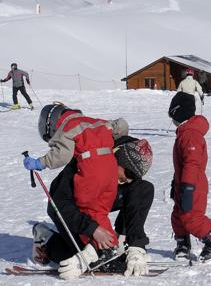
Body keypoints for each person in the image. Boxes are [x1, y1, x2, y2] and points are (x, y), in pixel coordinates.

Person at [22, 103, 130, 277]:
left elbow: (62, 155)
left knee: (88, 209)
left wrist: (40, 163)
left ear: (51, 122)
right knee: (100, 210)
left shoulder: (67, 127)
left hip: (90, 173)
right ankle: (105, 248)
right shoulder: (95, 122)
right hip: (110, 171)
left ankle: (100, 251)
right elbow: (122, 125)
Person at [32, 136, 154, 278]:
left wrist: (137, 245)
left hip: (101, 198)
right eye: (129, 173)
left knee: (143, 189)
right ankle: (47, 242)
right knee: (87, 259)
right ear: (117, 158)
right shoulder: (86, 164)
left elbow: (136, 192)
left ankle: (124, 242)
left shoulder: (127, 150)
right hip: (67, 208)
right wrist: (93, 230)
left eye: (135, 176)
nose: (129, 179)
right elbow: (61, 206)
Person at [168, 92, 211, 262]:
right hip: (184, 182)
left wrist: (187, 187)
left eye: (172, 114)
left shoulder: (190, 135)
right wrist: (176, 183)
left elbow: (192, 164)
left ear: (178, 113)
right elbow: (182, 164)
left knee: (192, 216)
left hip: (193, 184)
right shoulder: (185, 132)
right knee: (178, 215)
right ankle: (183, 244)